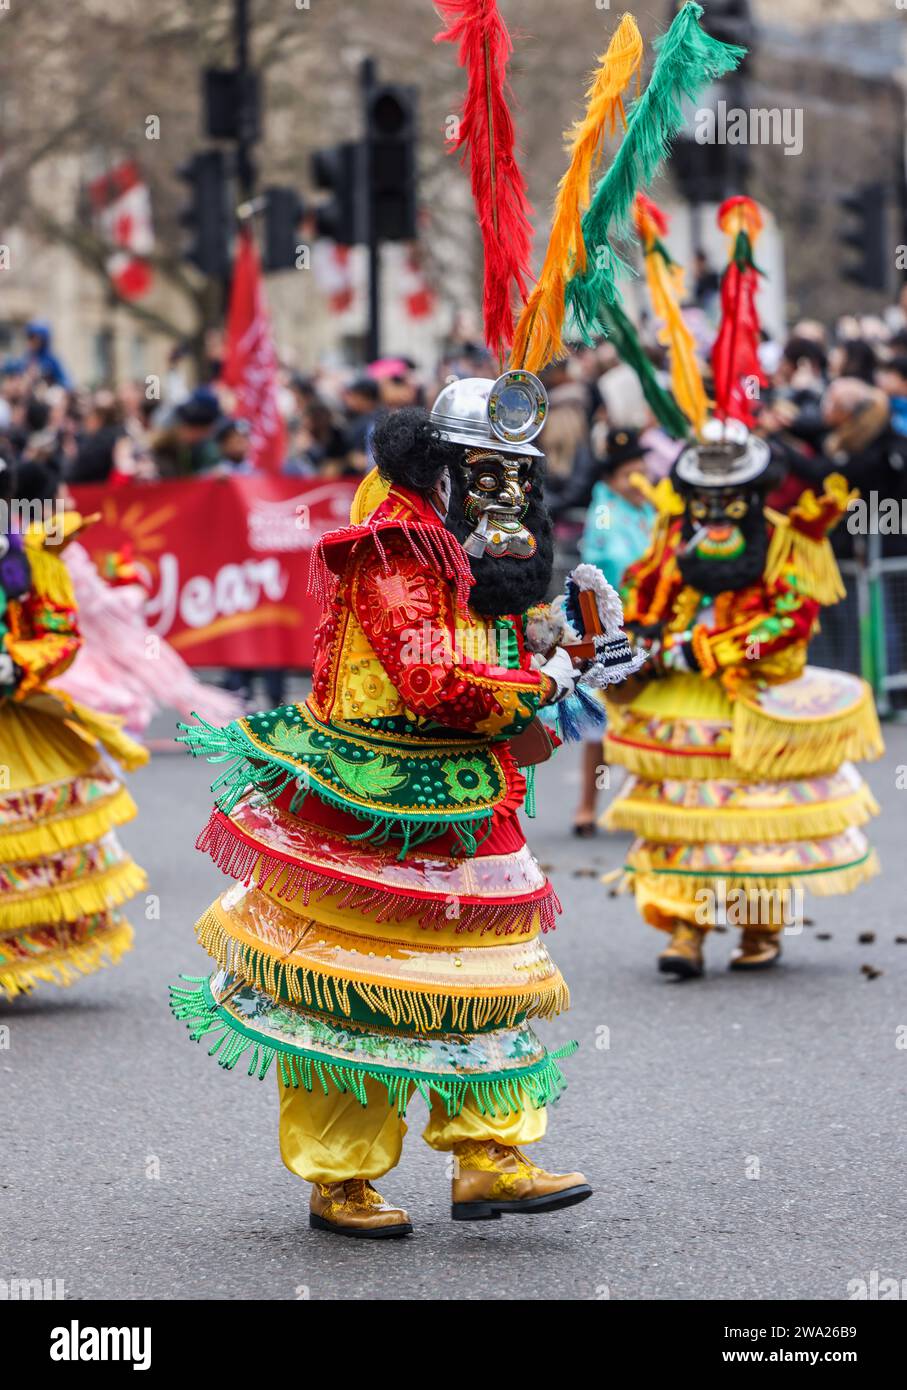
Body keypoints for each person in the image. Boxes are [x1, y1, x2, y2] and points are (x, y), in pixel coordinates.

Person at [171, 369, 644, 1236]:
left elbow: (488, 639)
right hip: (372, 800)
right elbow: (433, 678)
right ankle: (341, 1177)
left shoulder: (477, 547)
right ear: (441, 469)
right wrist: (545, 680)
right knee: (357, 991)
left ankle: (490, 1159)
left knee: (488, 982)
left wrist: (561, 638)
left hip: (468, 799)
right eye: (490, 474)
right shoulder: (395, 546)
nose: (512, 494)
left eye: (523, 476)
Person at [602, 421, 883, 977]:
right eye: (705, 498)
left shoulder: (786, 540)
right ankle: (686, 929)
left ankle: (759, 927)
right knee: (682, 815)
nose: (715, 510)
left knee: (754, 816)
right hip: (680, 704)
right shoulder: (672, 537)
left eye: (729, 498)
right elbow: (639, 591)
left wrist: (713, 650)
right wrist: (641, 637)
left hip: (751, 699)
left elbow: (786, 620)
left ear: (752, 496)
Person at [0, 459, 148, 998]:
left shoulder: (34, 556)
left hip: (15, 716)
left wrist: (17, 664)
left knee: (18, 846)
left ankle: (15, 956)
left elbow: (60, 631)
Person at [573, 427, 656, 834]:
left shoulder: (651, 511)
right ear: (611, 479)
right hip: (612, 627)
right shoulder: (604, 508)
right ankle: (587, 805)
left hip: (653, 625)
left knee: (651, 715)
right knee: (601, 723)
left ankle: (643, 802)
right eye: (630, 475)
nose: (639, 482)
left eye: (644, 472)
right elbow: (602, 560)